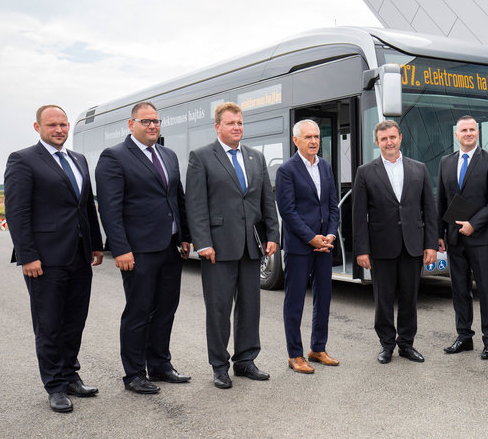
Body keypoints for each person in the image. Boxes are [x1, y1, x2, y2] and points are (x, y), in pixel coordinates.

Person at [4, 105, 104, 412]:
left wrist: (96, 244)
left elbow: (86, 206)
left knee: (74, 320)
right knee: (49, 324)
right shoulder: (23, 160)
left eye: (63, 124)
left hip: (79, 254)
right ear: (38, 127)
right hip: (45, 259)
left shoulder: (79, 159)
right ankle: (55, 386)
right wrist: (27, 256)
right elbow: (17, 212)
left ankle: (70, 375)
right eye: (52, 125)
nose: (59, 130)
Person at [96, 102, 192, 395]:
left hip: (169, 247)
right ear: (131, 124)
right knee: (138, 312)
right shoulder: (114, 156)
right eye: (146, 121)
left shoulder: (168, 154)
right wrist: (120, 249)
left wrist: (185, 236)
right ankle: (134, 374)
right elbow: (110, 209)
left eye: (156, 121)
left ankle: (160, 365)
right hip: (137, 251)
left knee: (166, 309)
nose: (152, 126)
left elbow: (177, 197)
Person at [185, 102, 279, 389]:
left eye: (239, 123)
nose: (237, 127)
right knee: (218, 309)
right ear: (218, 127)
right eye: (231, 123)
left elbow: (266, 199)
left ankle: (245, 361)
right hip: (218, 247)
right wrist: (203, 243)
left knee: (250, 307)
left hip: (251, 246)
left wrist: (273, 235)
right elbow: (196, 204)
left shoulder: (255, 157)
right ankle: (219, 366)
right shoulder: (201, 157)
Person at [353, 119, 438, 364]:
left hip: (413, 244)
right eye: (384, 139)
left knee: (410, 298)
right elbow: (358, 215)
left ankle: (407, 345)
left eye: (392, 137)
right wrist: (362, 250)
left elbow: (429, 209)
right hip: (381, 247)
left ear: (400, 138)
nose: (389, 142)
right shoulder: (365, 172)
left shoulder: (419, 169)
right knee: (383, 299)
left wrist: (430, 245)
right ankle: (387, 345)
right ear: (376, 142)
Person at [437, 115, 488, 359]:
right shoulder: (446, 162)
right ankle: (464, 336)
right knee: (459, 290)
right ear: (456, 134)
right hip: (454, 240)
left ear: (478, 132)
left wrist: (473, 224)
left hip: (481, 238)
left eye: (472, 129)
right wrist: (439, 233)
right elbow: (441, 199)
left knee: (487, 290)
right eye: (463, 130)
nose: (468, 133)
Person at [275, 119, 340, 374]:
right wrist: (311, 237)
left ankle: (318, 348)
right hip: (300, 247)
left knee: (324, 298)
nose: (314, 141)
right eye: (308, 137)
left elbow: (332, 206)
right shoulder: (286, 170)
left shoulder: (325, 166)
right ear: (296, 141)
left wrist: (330, 235)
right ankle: (295, 355)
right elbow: (288, 211)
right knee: (295, 302)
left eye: (316, 136)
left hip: (324, 245)